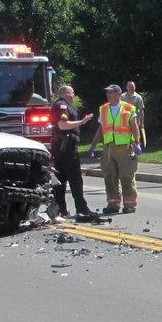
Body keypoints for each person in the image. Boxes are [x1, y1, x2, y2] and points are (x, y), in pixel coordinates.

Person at [86, 84, 141, 214]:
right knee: (109, 176)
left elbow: (134, 126)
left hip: (125, 147)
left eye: (111, 93)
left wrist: (137, 143)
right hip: (109, 147)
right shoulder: (104, 109)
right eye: (107, 93)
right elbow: (101, 129)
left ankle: (130, 204)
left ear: (118, 94)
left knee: (126, 176)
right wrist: (93, 144)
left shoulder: (128, 108)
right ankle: (113, 204)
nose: (108, 95)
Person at [49, 85, 95, 219]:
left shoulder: (61, 105)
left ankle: (60, 210)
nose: (74, 96)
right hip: (66, 148)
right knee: (75, 179)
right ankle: (82, 209)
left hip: (60, 147)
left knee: (61, 180)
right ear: (67, 93)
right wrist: (82, 121)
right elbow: (62, 125)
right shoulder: (62, 106)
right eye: (72, 93)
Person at [122, 80, 146, 149]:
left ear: (135, 87)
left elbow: (141, 111)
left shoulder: (138, 98)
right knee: (125, 139)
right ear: (127, 87)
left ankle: (136, 152)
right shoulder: (122, 97)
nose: (131, 88)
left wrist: (142, 122)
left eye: (133, 86)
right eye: (130, 86)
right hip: (124, 122)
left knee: (135, 137)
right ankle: (127, 152)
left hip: (135, 122)